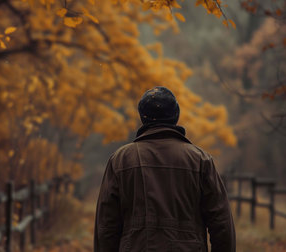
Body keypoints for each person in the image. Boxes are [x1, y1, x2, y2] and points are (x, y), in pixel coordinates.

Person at [94, 86, 235, 252]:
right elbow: (222, 224)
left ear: (142, 117)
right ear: (176, 115)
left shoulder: (120, 160)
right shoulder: (200, 160)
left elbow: (106, 227)